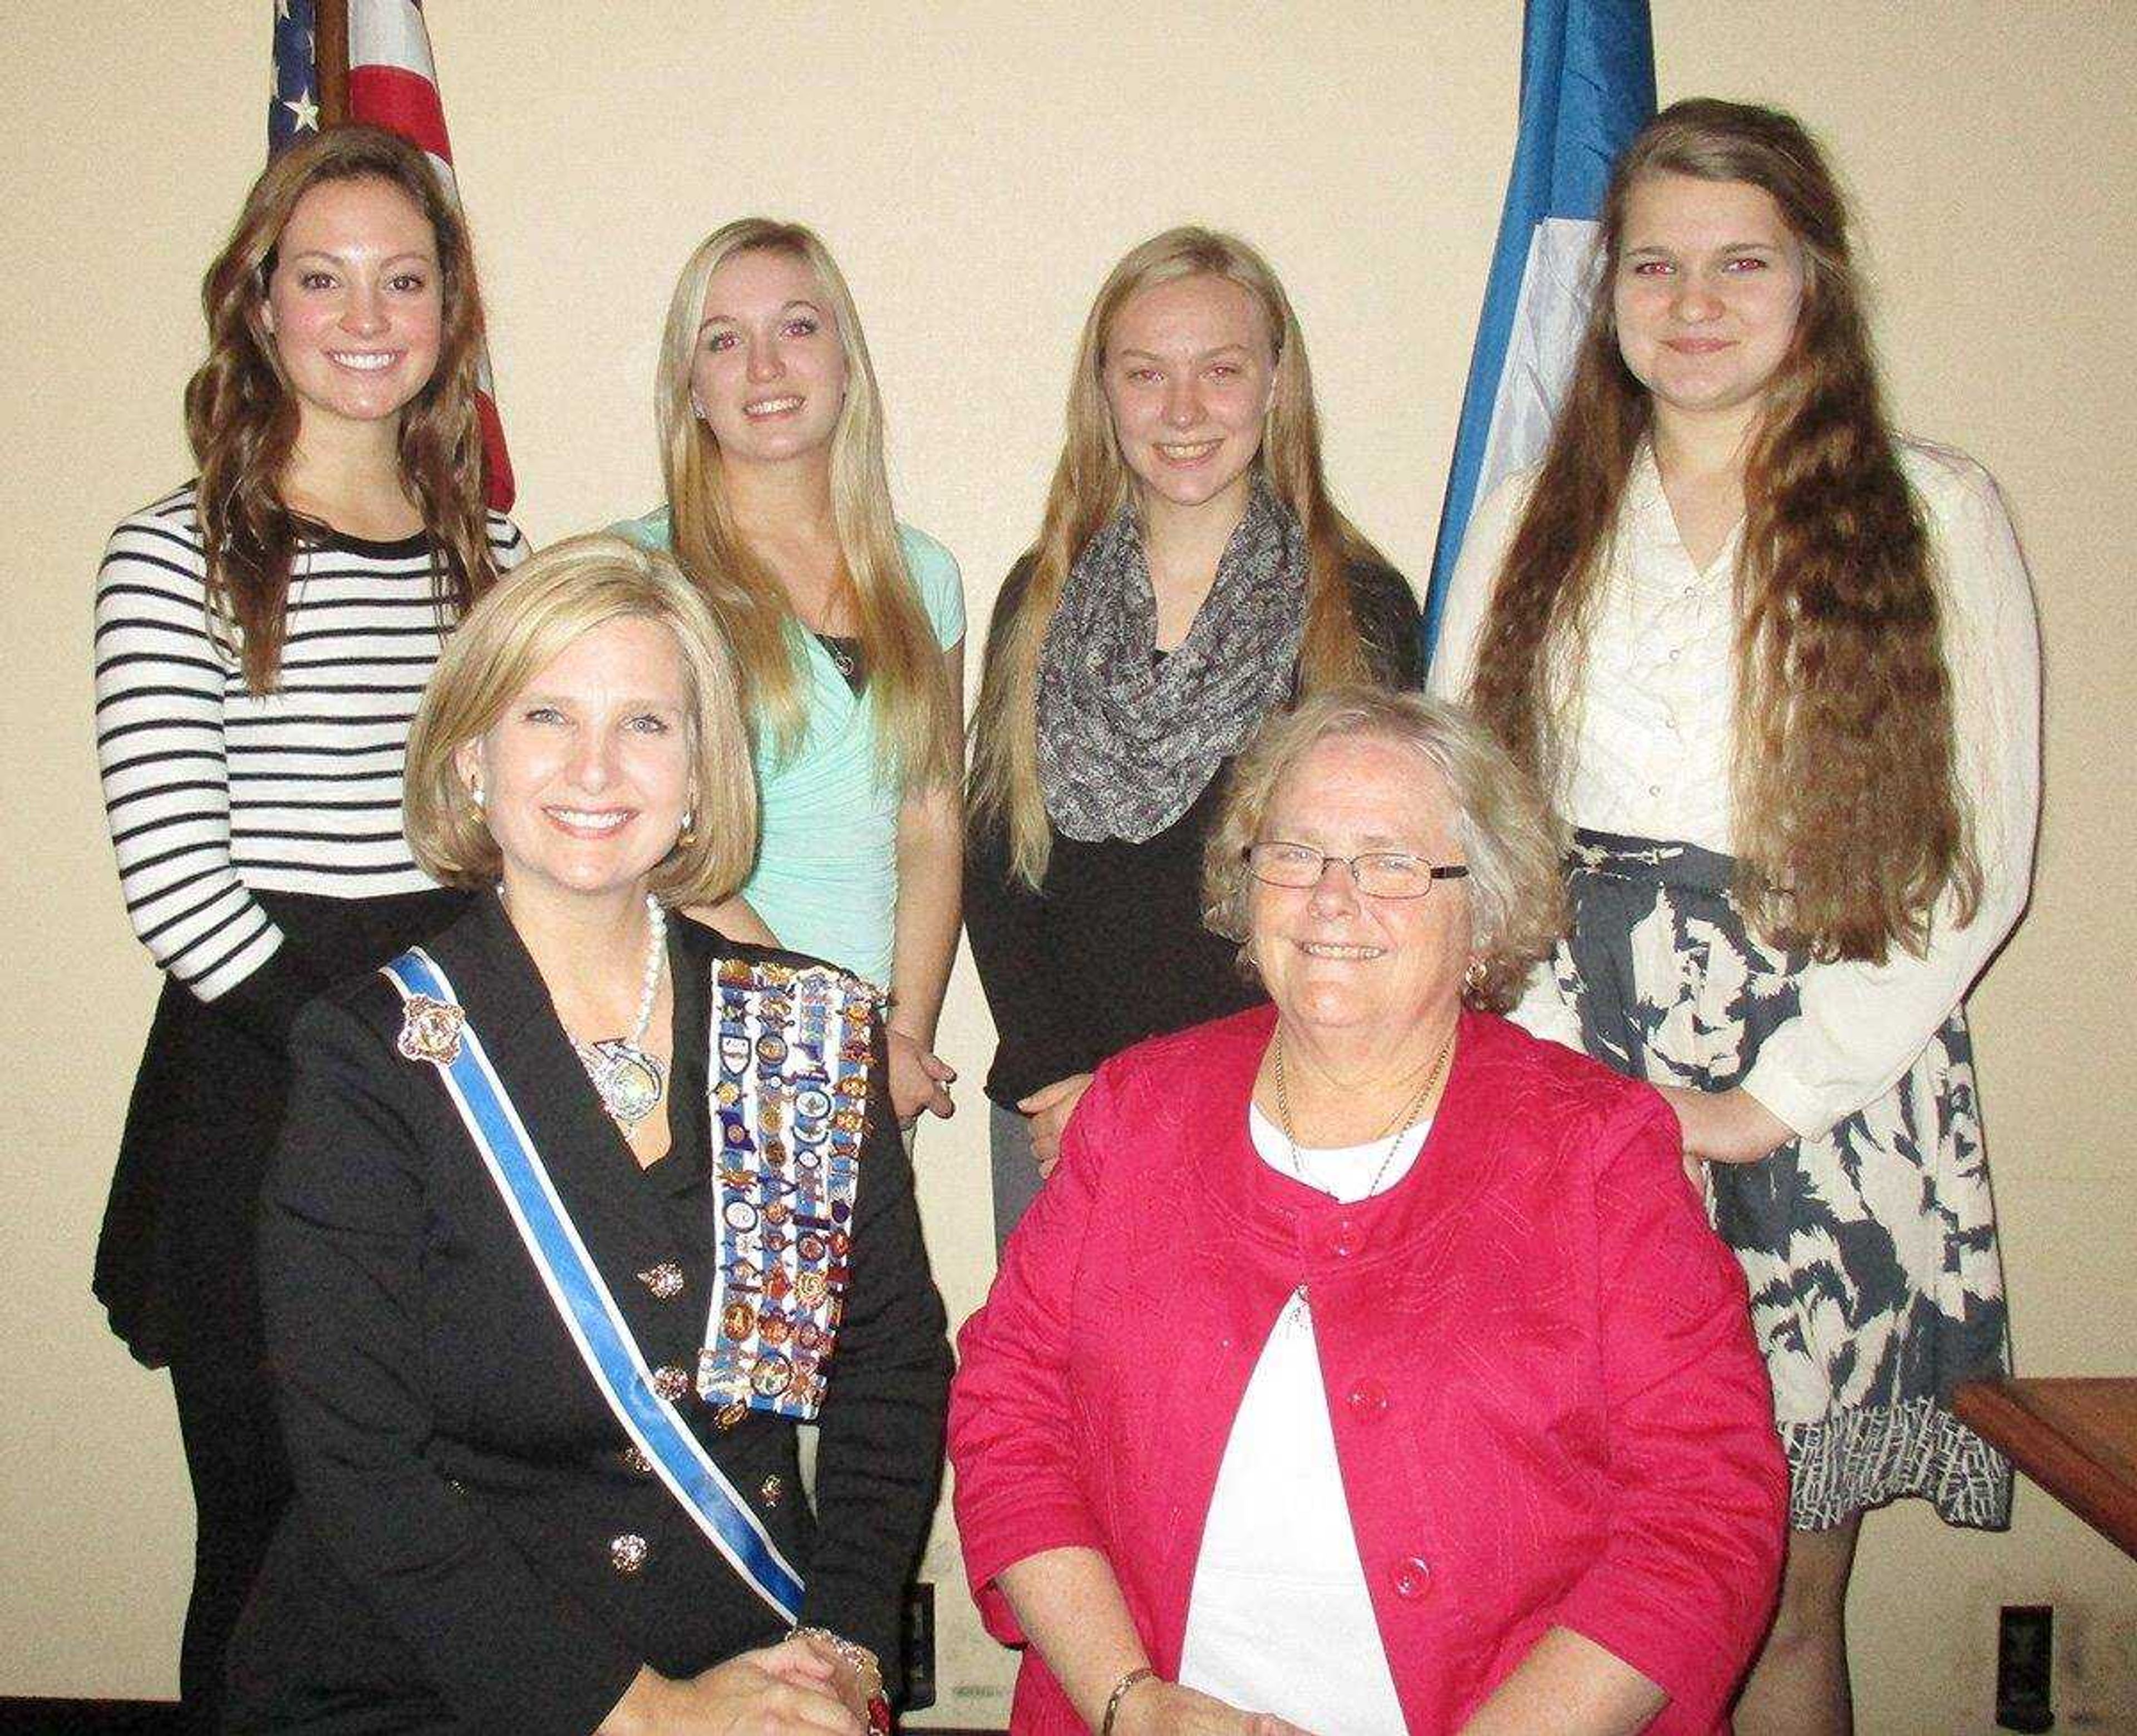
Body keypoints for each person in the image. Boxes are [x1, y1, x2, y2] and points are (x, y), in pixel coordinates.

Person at [1431, 98, 2041, 1735]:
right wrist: (1591, 1095)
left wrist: (1766, 1104)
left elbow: (1972, 862)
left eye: (1740, 263)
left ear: (1814, 288)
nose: (1692, 302)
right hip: (1570, 1083)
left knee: (1773, 1594)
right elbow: (1469, 827)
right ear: (1611, 292)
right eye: (1655, 265)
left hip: (1835, 1094)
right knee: (1579, 1585)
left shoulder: (1939, 513)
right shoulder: (1526, 521)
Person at [951, 687, 1786, 1736]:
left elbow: (1704, 1513)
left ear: (1483, 909)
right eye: (1294, 854)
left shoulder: (1599, 1151)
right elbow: (1010, 1407)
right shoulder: (1136, 1109)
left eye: (1392, 864)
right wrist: (1130, 1703)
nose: (1332, 900)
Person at [224, 535, 952, 1735]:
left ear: (703, 778)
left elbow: (890, 1367)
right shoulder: (370, 1058)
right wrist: (649, 1717)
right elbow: (363, 1466)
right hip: (437, 1676)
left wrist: (845, 1651)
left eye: (648, 725)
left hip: (748, 1641)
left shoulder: (802, 1029)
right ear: (471, 758)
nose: (597, 768)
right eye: (547, 715)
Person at [88, 124, 524, 1730]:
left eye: (401, 278)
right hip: (271, 1089)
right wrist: (388, 1062)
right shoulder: (173, 555)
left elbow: (530, 851)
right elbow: (180, 895)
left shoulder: (501, 568)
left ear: (447, 313)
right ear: (258, 306)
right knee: (271, 1545)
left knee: (447, 1537)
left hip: (464, 1083)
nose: (363, 314)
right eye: (321, 277)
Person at [965, 226, 1425, 1246]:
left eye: (1221, 371)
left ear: (1275, 384)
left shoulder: (1359, 608)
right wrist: (1059, 1082)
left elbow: (1362, 901)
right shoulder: (1036, 599)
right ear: (1105, 394)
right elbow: (997, 860)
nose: (1182, 411)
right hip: (1059, 1116)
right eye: (1146, 374)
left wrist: (1181, 1102)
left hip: (1276, 1113)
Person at [615, 219, 963, 1129]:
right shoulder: (639, 575)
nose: (765, 368)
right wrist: (830, 1035)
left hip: (880, 1062)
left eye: (798, 328)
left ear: (847, 362)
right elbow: (663, 849)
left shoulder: (923, 576)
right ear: (689, 387)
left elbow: (931, 828)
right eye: (724, 340)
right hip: (703, 1043)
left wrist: (902, 1038)